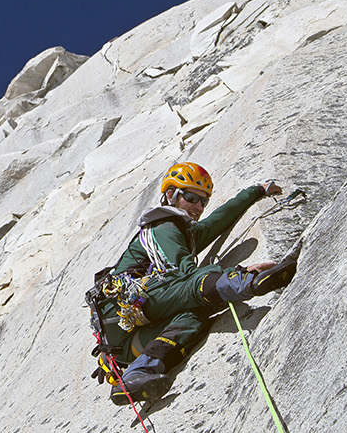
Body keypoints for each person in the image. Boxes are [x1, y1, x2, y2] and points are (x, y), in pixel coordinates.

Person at [89, 162, 296, 402]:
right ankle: (248, 282)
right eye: (191, 197)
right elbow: (184, 272)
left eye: (203, 201)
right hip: (127, 305)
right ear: (170, 195)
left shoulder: (184, 233)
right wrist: (239, 271)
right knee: (193, 283)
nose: (198, 207)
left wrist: (255, 191)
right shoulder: (163, 226)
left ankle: (136, 375)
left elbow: (217, 221)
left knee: (194, 319)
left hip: (126, 345)